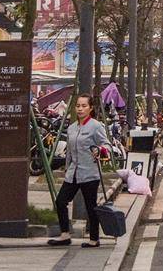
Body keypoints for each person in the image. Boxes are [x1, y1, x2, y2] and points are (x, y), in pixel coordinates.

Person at [46, 94, 111, 249]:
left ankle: (94, 239)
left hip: (89, 172)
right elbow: (69, 151)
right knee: (61, 201)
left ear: (91, 108)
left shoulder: (96, 126)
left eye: (84, 106)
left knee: (91, 206)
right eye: (78, 106)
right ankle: (65, 234)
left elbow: (107, 145)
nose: (80, 109)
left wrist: (100, 150)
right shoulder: (72, 128)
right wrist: (67, 168)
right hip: (73, 172)